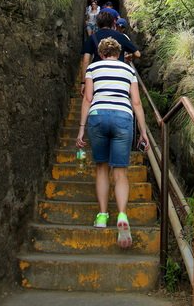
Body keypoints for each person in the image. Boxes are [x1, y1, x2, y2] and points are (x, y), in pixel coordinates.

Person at [76, 37, 150, 248]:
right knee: (120, 172)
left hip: (98, 116)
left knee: (101, 168)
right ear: (118, 53)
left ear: (100, 53)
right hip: (123, 117)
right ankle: (123, 216)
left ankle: (101, 215)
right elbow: (136, 101)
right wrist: (143, 131)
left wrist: (81, 128)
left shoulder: (93, 67)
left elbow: (88, 99)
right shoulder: (128, 70)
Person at [80, 11, 141, 95]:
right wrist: (130, 56)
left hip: (97, 75)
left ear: (98, 23)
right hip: (118, 75)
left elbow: (86, 60)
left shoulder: (92, 38)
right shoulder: (121, 36)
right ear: (113, 23)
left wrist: (83, 82)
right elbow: (138, 54)